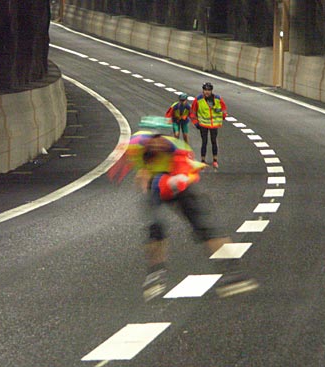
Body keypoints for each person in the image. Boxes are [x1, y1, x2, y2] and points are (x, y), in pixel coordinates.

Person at [108, 130, 258, 302]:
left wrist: (159, 182)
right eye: (153, 142)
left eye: (161, 142)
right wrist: (133, 175)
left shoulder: (178, 151)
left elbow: (179, 181)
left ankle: (233, 271)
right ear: (146, 142)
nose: (158, 145)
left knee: (204, 227)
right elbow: (128, 163)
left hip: (180, 183)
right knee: (155, 227)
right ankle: (155, 272)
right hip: (156, 182)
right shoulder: (135, 146)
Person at [190, 82, 227, 169]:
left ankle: (215, 160)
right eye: (205, 90)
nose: (207, 92)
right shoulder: (198, 99)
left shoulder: (217, 99)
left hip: (214, 124)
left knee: (214, 141)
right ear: (203, 90)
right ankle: (203, 160)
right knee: (204, 142)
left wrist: (223, 116)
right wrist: (196, 123)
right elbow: (192, 112)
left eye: (209, 90)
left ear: (211, 91)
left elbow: (223, 109)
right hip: (203, 124)